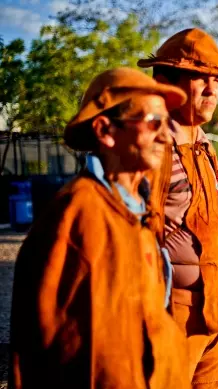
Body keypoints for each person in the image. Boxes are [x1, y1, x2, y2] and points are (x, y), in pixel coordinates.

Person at [10, 67, 190, 389]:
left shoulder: (139, 209)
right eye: (152, 123)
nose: (165, 135)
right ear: (106, 130)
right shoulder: (75, 213)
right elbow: (41, 341)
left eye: (167, 123)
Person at [137, 28, 218, 388]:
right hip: (170, 312)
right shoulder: (149, 147)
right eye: (200, 78)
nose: (213, 90)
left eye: (217, 80)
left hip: (215, 306)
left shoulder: (206, 146)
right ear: (166, 84)